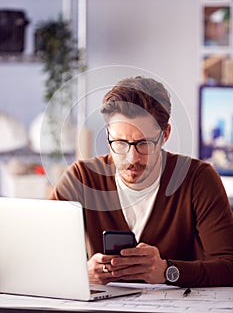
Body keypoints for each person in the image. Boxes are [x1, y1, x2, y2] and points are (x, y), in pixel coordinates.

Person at [50, 76, 233, 287]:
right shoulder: (81, 178)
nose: (131, 158)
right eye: (119, 143)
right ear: (108, 134)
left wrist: (168, 271)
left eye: (143, 143)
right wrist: (82, 273)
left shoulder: (198, 179)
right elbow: (40, 257)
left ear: (165, 135)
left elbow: (228, 267)